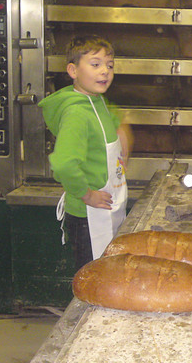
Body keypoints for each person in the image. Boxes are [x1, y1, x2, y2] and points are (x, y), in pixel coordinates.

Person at [39, 35, 133, 270]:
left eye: (109, 66)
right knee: (94, 276)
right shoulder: (76, 113)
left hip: (108, 207)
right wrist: (86, 194)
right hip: (89, 216)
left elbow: (117, 130)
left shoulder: (97, 102)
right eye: (95, 64)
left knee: (109, 271)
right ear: (73, 70)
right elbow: (63, 164)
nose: (105, 71)